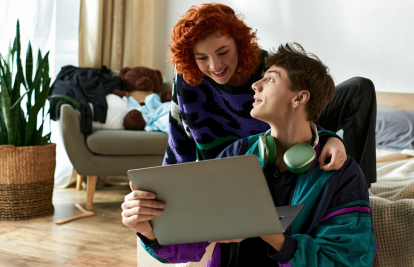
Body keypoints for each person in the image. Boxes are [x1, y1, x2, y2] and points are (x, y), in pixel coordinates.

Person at [122, 43, 377, 267]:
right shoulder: (237, 153)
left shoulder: (342, 175)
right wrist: (149, 232)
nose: (255, 85)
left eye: (270, 79)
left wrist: (273, 236)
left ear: (299, 98)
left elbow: (348, 260)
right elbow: (193, 239)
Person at [163, 3, 377, 185]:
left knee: (359, 89)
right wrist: (168, 186)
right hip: (239, 165)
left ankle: (358, 185)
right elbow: (178, 138)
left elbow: (294, 119)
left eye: (223, 52)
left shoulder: (269, 69)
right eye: (202, 58)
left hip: (290, 129)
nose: (214, 65)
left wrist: (331, 139)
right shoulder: (187, 76)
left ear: (239, 44)